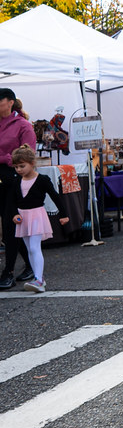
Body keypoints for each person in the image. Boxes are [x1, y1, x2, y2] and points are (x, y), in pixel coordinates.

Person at [8, 145, 69, 293]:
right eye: (16, 167)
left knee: (35, 247)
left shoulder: (42, 180)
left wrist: (64, 214)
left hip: (36, 216)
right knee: (29, 249)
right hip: (23, 217)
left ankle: (39, 280)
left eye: (22, 166)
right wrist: (14, 214)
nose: (19, 170)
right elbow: (12, 201)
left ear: (32, 163)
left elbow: (55, 196)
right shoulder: (17, 181)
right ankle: (38, 277)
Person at [0, 88, 37, 290]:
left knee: (9, 226)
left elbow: (27, 156)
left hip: (12, 180)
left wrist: (6, 159)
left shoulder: (23, 126)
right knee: (8, 227)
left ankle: (8, 273)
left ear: (10, 102)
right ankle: (31, 265)